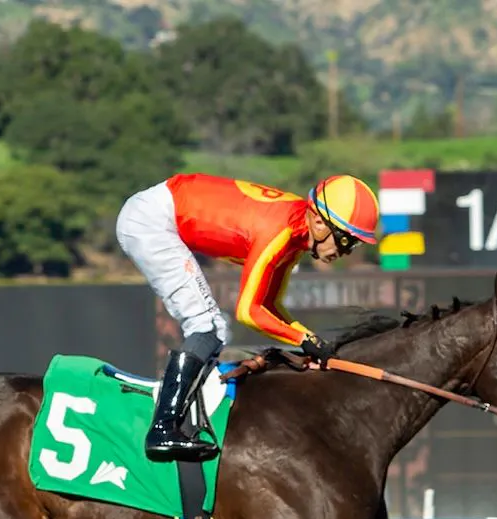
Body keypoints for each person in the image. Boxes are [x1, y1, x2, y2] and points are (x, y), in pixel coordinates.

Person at [115, 172, 382, 463]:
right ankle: (162, 429)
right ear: (318, 223)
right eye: (345, 240)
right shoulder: (279, 232)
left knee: (214, 329)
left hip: (158, 210)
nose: (346, 251)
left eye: (353, 245)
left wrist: (310, 338)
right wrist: (302, 338)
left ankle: (182, 419)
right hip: (152, 221)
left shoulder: (295, 236)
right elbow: (249, 311)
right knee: (206, 325)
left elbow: (270, 305)